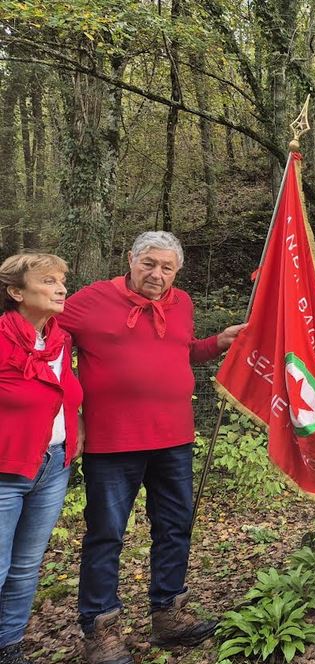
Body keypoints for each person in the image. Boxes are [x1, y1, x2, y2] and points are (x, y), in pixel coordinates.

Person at [56, 232, 245, 664]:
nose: (156, 275)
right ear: (131, 260)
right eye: (149, 264)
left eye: (167, 268)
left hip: (174, 438)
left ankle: (169, 615)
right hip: (113, 441)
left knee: (175, 527)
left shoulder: (183, 304)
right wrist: (72, 410)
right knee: (106, 534)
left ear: (177, 271)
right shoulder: (90, 300)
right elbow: (49, 347)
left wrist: (215, 344)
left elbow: (179, 351)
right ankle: (100, 630)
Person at [0, 253, 83, 664]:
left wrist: (76, 430)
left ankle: (9, 644)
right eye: (48, 281)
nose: (61, 288)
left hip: (53, 467)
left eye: (62, 280)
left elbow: (65, 391)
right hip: (5, 470)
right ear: (17, 292)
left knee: (26, 565)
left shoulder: (59, 339)